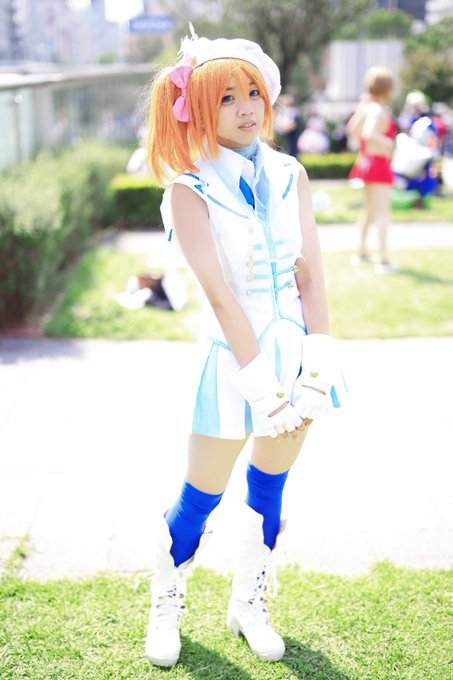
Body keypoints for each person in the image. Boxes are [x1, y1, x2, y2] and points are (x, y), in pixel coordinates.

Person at [144, 28, 345, 668]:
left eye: (252, 92)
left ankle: (248, 605)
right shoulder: (189, 189)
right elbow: (222, 298)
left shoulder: (290, 174)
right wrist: (262, 389)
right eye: (226, 97)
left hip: (296, 356)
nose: (246, 107)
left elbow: (311, 277)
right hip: (233, 363)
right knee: (199, 499)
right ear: (199, 109)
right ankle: (166, 600)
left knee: (269, 492)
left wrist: (318, 367)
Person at [347, 66, 398, 273]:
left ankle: (362, 252)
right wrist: (390, 144)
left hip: (367, 163)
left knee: (369, 210)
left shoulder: (366, 107)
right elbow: (369, 133)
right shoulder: (377, 109)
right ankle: (383, 260)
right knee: (383, 212)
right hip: (378, 164)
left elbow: (353, 129)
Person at [274, 93, 301, 157]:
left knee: (292, 152)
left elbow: (294, 124)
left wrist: (285, 128)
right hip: (281, 136)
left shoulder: (293, 112)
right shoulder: (282, 112)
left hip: (291, 136)